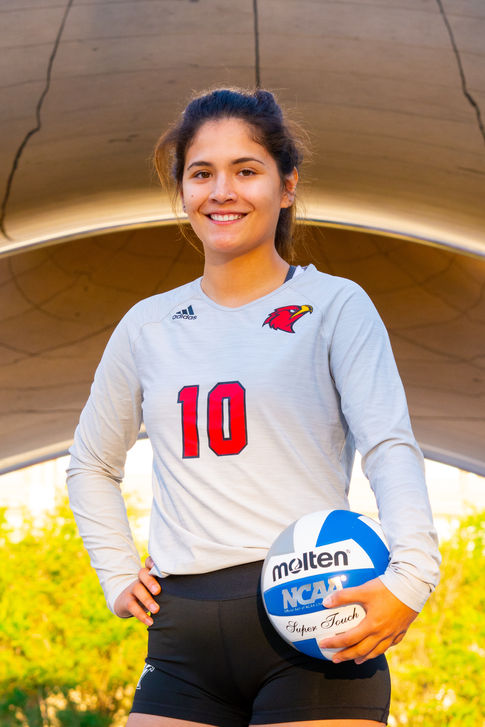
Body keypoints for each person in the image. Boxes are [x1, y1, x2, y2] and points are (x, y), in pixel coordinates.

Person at [67, 87, 441, 727]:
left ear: (286, 185)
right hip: (182, 636)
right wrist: (116, 573)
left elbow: (388, 447)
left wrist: (411, 578)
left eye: (246, 171)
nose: (222, 192)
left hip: (316, 615)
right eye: (201, 173)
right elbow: (90, 465)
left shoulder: (335, 304)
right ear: (182, 190)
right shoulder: (146, 325)